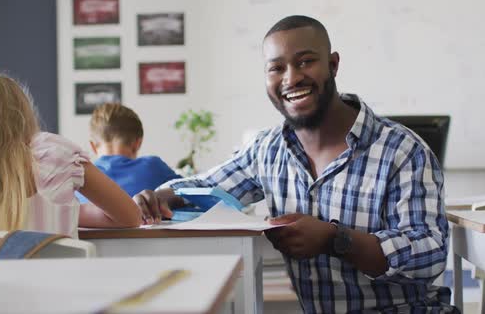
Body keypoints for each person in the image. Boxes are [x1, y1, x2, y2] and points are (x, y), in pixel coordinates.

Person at [133, 16, 455, 313]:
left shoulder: (402, 150)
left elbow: (429, 255)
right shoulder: (268, 149)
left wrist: (335, 239)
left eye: (305, 62)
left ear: (333, 65)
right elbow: (207, 186)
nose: (292, 78)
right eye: (276, 68)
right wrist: (163, 196)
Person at [0, 57, 146, 238]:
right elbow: (130, 217)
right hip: (60, 267)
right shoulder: (57, 155)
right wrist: (62, 212)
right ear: (24, 116)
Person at [76, 103, 181, 205]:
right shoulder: (153, 166)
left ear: (93, 146)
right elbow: (191, 190)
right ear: (138, 144)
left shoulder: (78, 175)